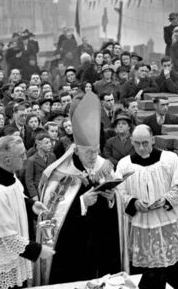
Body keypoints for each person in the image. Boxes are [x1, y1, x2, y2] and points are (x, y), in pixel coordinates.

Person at [36, 92, 128, 285]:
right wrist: (80, 203)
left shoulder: (103, 166)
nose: (94, 157)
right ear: (76, 149)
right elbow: (51, 214)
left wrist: (111, 199)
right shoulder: (60, 172)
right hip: (72, 247)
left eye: (96, 151)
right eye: (88, 153)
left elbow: (116, 210)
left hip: (100, 244)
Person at [0, 135, 55, 289]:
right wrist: (38, 250)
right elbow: (5, 237)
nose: (26, 157)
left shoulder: (8, 175)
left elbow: (16, 195)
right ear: (8, 160)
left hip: (11, 256)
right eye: (21, 155)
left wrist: (31, 204)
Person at [115, 125, 178, 289]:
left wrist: (166, 199)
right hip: (140, 227)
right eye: (137, 144)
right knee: (145, 279)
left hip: (167, 225)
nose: (141, 148)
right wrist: (133, 202)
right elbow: (118, 193)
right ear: (131, 142)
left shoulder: (169, 159)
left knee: (172, 276)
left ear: (153, 140)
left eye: (145, 143)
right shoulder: (124, 165)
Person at [24, 131, 56, 200]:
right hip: (38, 192)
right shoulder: (31, 160)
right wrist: (34, 195)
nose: (50, 144)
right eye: (47, 143)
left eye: (50, 142)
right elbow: (29, 180)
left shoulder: (52, 157)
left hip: (51, 190)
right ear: (39, 145)